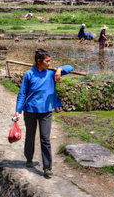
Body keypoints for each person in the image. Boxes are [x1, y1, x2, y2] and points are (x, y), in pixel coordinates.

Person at [13, 49, 73, 178]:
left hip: (46, 111)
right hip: (30, 110)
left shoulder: (52, 73)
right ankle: (29, 157)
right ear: (39, 61)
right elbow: (22, 94)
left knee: (45, 139)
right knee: (30, 135)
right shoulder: (29, 74)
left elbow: (70, 67)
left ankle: (47, 167)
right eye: (47, 61)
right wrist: (18, 110)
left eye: (50, 61)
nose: (49, 63)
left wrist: (59, 69)